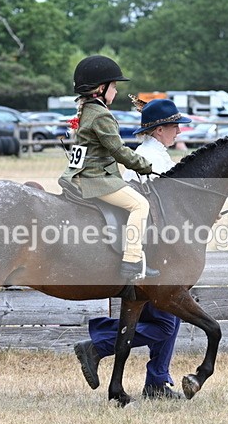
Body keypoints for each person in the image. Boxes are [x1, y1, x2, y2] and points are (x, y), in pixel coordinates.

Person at [74, 98, 191, 399]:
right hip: (150, 249)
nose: (179, 130)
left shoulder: (158, 154)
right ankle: (101, 343)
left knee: (169, 318)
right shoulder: (150, 158)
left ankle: (156, 379)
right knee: (166, 323)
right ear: (160, 129)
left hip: (155, 246)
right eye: (174, 126)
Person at [59, 54, 158, 281]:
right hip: (95, 178)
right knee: (140, 205)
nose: (116, 91)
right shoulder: (101, 115)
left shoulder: (86, 110)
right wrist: (145, 166)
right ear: (101, 88)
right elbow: (118, 150)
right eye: (114, 86)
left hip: (81, 174)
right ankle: (132, 262)